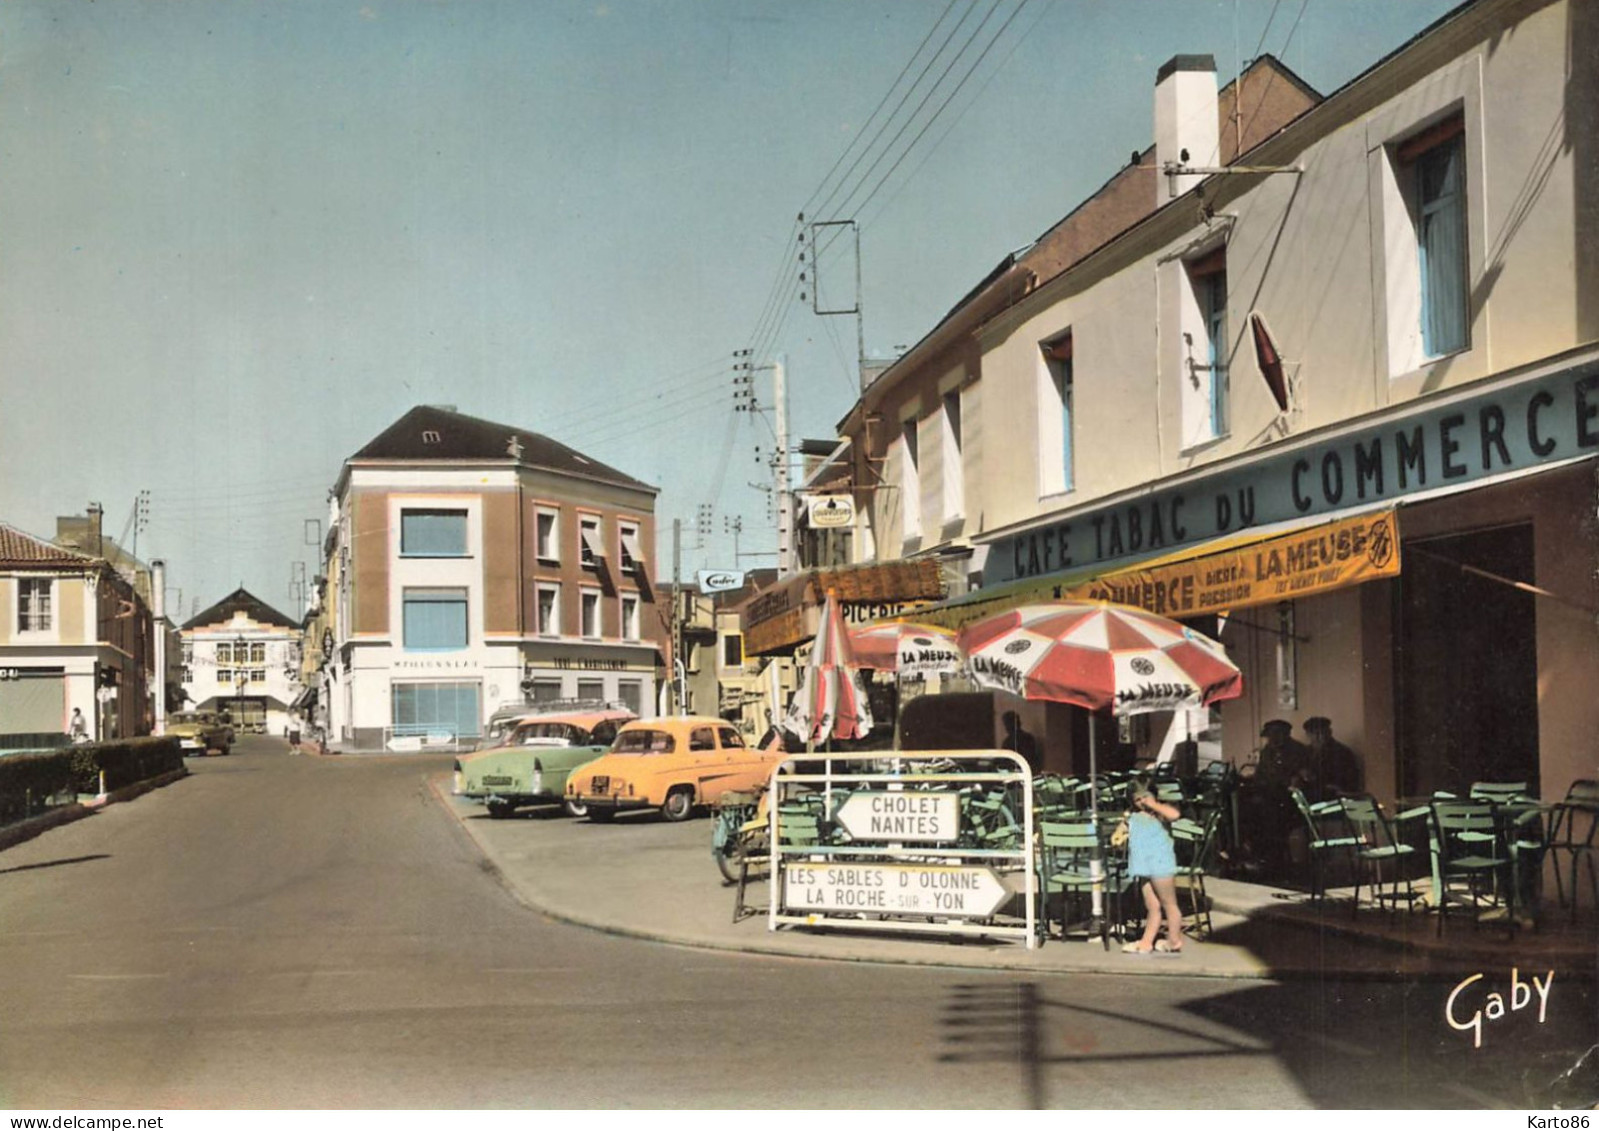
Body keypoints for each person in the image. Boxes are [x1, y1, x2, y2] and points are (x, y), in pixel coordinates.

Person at [1122, 779, 1186, 956]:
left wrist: (1155, 805)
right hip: (1143, 865)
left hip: (1160, 863)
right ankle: (1146, 941)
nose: (1143, 802)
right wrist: (1118, 835)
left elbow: (1174, 815)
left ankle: (1174, 940)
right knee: (1152, 906)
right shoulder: (1133, 816)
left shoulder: (1160, 813)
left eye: (1145, 797)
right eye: (1138, 800)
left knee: (1169, 904)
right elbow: (1122, 829)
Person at [1302, 717, 1363, 801]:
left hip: (1333, 796)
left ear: (1329, 732)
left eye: (1322, 733)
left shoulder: (1341, 752)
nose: (1319, 737)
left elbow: (1349, 780)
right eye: (1314, 734)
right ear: (1308, 735)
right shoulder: (1306, 751)